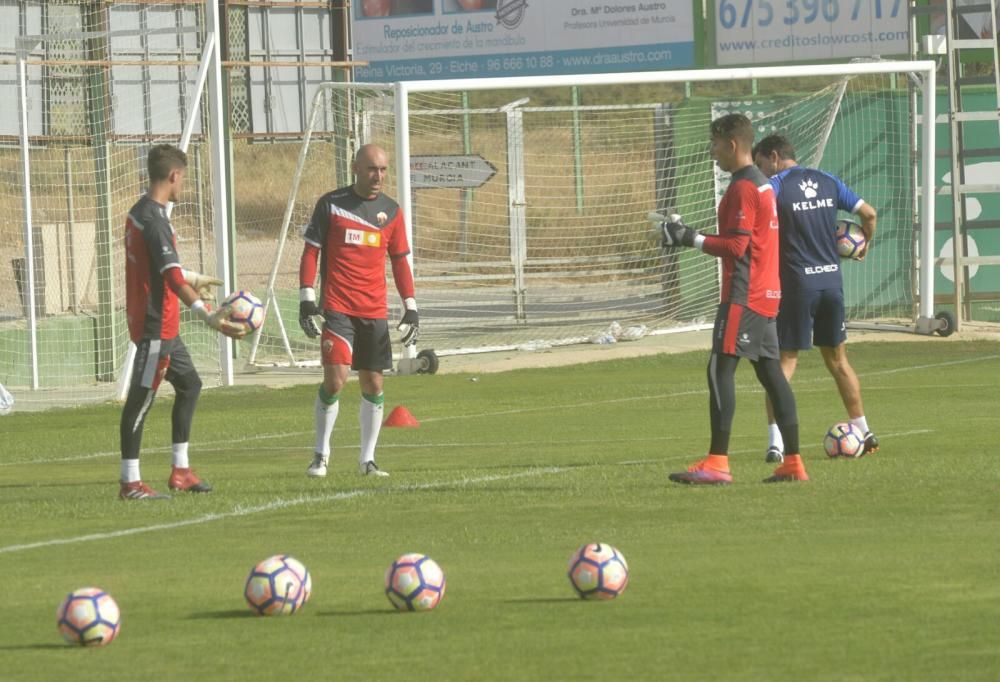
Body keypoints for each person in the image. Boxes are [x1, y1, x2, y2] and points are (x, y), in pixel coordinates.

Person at [656, 114, 808, 484]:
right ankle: (793, 463)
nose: (712, 152)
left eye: (714, 144)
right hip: (767, 293)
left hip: (744, 294)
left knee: (719, 370)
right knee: (772, 374)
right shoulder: (763, 185)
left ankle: (717, 462)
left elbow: (737, 246)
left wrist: (688, 237)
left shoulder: (743, 187)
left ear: (732, 144)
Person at [120, 144, 246, 500]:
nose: (183, 183)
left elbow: (161, 268)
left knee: (190, 385)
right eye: (184, 177)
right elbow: (172, 278)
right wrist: (208, 316)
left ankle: (181, 471)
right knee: (140, 402)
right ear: (174, 176)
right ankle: (130, 483)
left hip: (165, 328)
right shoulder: (156, 221)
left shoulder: (140, 212)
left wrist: (192, 276)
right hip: (155, 328)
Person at [752, 134, 879, 463]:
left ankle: (776, 443)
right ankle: (864, 431)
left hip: (797, 286)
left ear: (774, 156)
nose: (761, 171)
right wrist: (864, 244)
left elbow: (757, 223)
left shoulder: (776, 186)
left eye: (761, 164)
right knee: (839, 362)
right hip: (831, 285)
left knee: (784, 365)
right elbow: (870, 214)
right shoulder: (828, 180)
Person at [298, 143, 419, 478]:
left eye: (382, 170)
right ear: (355, 168)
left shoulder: (391, 212)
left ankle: (367, 460)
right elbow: (311, 252)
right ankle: (321, 455)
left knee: (374, 383)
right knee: (335, 381)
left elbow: (399, 261)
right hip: (337, 307)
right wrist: (307, 298)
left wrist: (410, 305)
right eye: (371, 169)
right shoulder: (332, 204)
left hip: (374, 311)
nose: (377, 176)